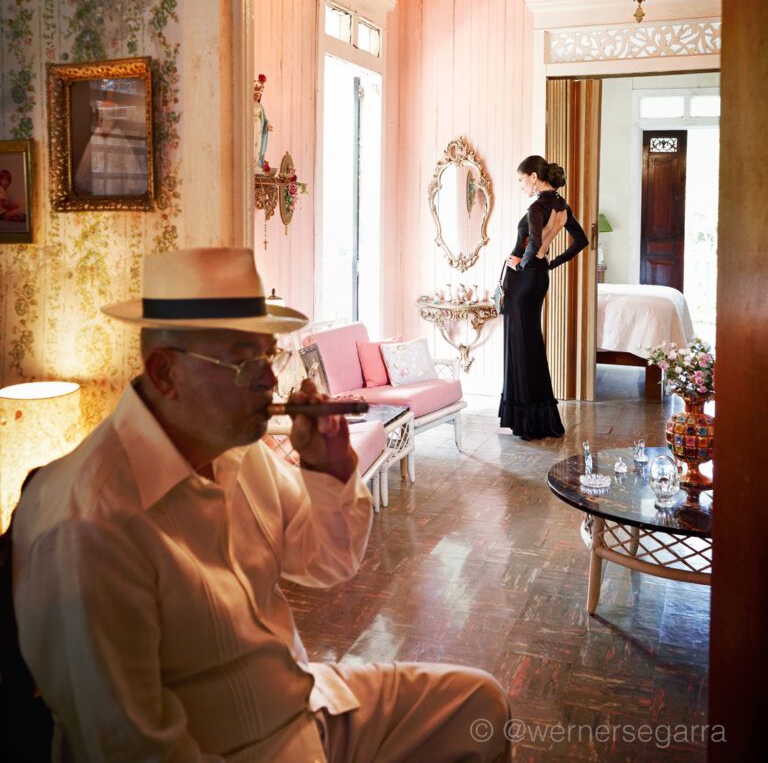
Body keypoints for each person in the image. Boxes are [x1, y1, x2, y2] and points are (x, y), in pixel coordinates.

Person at [12, 247, 511, 762]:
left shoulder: (239, 453)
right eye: (244, 361)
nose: (271, 380)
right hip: (231, 750)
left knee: (480, 708)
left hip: (304, 706)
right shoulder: (88, 525)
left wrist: (329, 468)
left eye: (269, 356)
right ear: (164, 373)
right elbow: (134, 749)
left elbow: (327, 561)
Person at [499, 156, 589, 440]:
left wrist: (521, 265)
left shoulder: (537, 207)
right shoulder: (562, 206)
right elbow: (581, 241)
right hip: (539, 278)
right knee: (530, 343)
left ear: (534, 176)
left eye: (521, 179)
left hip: (524, 280)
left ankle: (526, 421)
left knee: (521, 344)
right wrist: (551, 263)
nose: (521, 185)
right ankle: (536, 418)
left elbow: (535, 242)